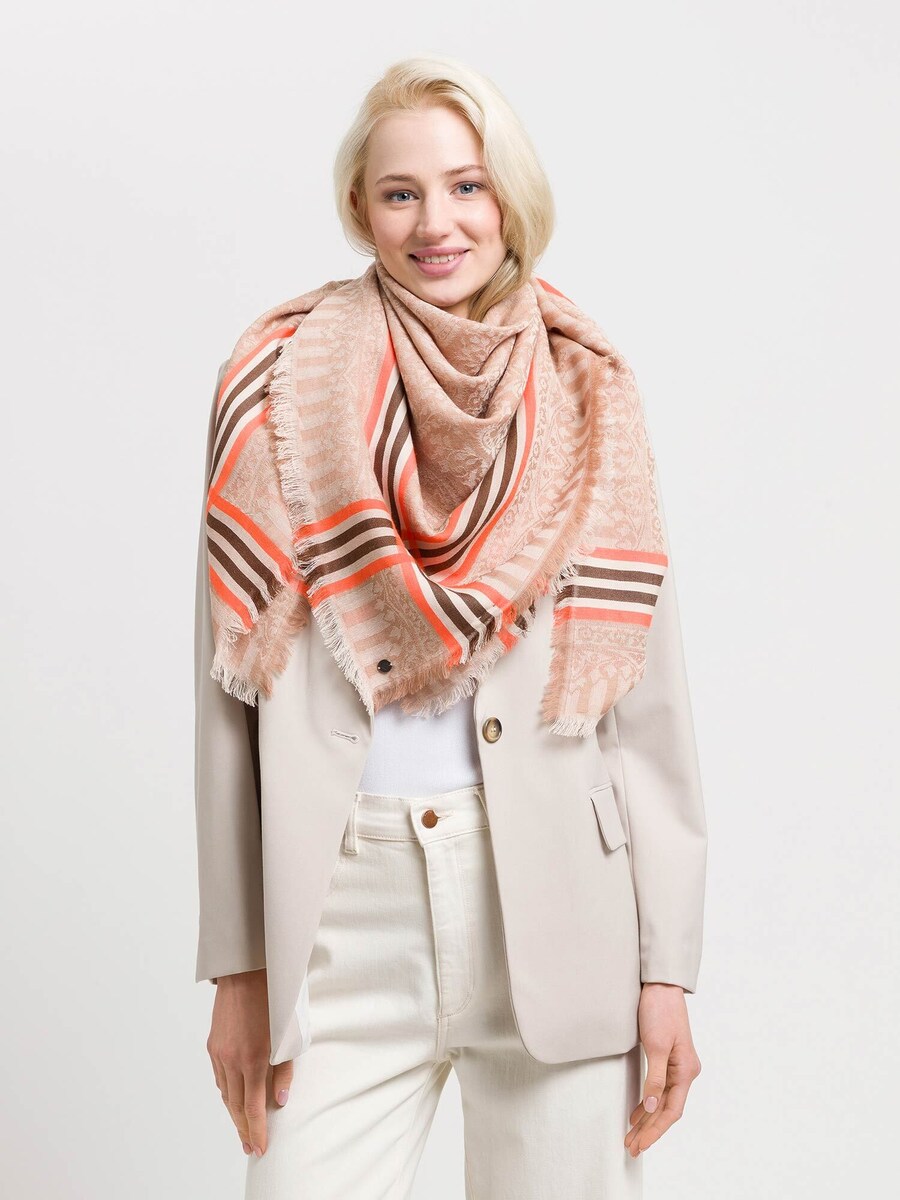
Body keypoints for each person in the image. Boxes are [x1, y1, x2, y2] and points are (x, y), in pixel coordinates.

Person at [194, 53, 707, 1199]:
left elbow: (649, 712)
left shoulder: (587, 388)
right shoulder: (274, 381)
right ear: (359, 206)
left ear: (510, 197)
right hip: (341, 911)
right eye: (402, 192)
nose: (438, 223)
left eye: (468, 186)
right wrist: (237, 964)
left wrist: (667, 970)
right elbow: (226, 700)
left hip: (560, 911)